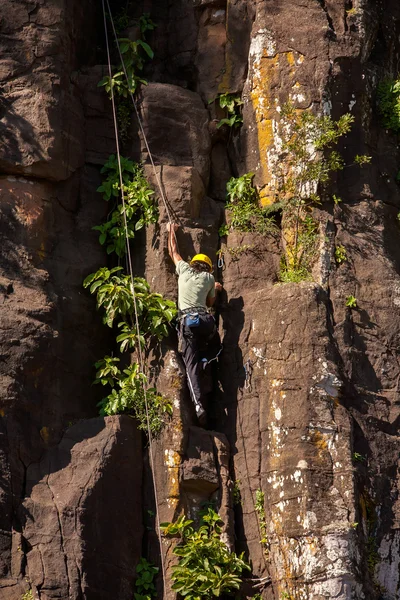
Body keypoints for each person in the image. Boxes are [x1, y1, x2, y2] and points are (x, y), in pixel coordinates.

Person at [167, 222, 222, 423]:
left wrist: (170, 230)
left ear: (192, 264)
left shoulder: (183, 270)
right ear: (207, 267)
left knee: (190, 366)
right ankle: (207, 359)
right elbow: (209, 302)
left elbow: (173, 251)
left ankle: (198, 405)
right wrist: (215, 288)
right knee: (216, 343)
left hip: (187, 322)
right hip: (205, 322)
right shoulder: (208, 278)